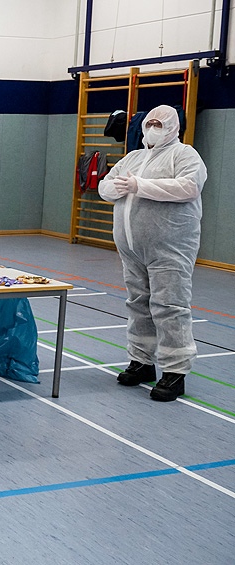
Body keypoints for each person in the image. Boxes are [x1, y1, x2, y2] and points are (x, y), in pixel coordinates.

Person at [97, 105, 207, 402]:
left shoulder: (184, 155)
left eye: (159, 123)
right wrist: (113, 188)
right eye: (150, 123)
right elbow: (105, 184)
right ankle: (141, 361)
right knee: (138, 303)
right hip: (132, 249)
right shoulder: (134, 157)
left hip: (170, 246)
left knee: (170, 305)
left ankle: (175, 370)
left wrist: (140, 185)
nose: (153, 128)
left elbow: (188, 187)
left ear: (173, 127)